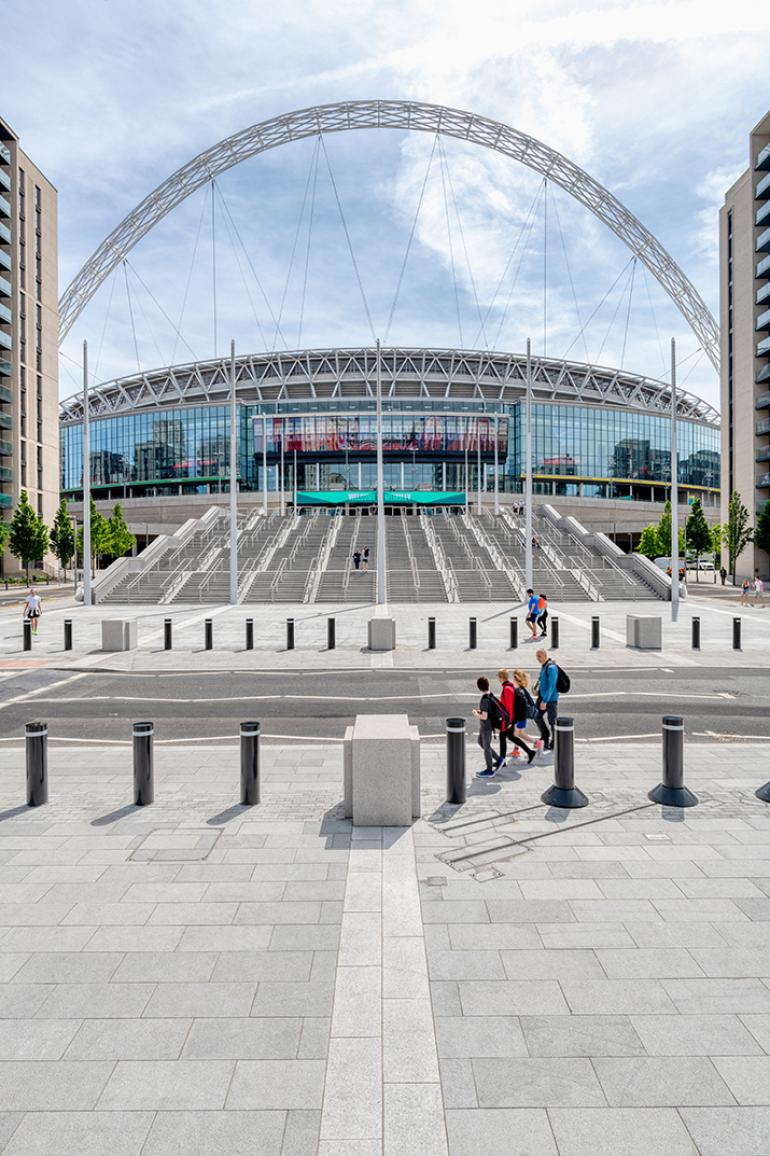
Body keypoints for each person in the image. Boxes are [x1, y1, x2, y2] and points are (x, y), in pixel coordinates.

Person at [496, 668, 536, 768]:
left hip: (509, 718)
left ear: (501, 677)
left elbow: (510, 707)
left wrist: (509, 721)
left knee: (503, 737)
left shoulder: (507, 689)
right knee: (511, 737)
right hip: (510, 717)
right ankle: (530, 752)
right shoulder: (507, 686)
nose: (497, 677)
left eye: (498, 676)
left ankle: (502, 761)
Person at [534, 647, 560, 751]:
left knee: (552, 721)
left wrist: (545, 700)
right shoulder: (543, 666)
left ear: (545, 656)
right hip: (542, 696)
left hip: (551, 699)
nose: (538, 658)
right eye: (537, 656)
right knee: (536, 716)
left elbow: (552, 686)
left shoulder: (551, 668)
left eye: (539, 656)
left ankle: (554, 741)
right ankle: (545, 735)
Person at [473, 676, 498, 778]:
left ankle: (489, 770)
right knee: (480, 742)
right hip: (486, 726)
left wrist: (476, 714)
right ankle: (499, 760)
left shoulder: (484, 700)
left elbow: (485, 716)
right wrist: (480, 712)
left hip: (486, 727)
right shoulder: (490, 695)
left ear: (479, 688)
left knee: (486, 747)